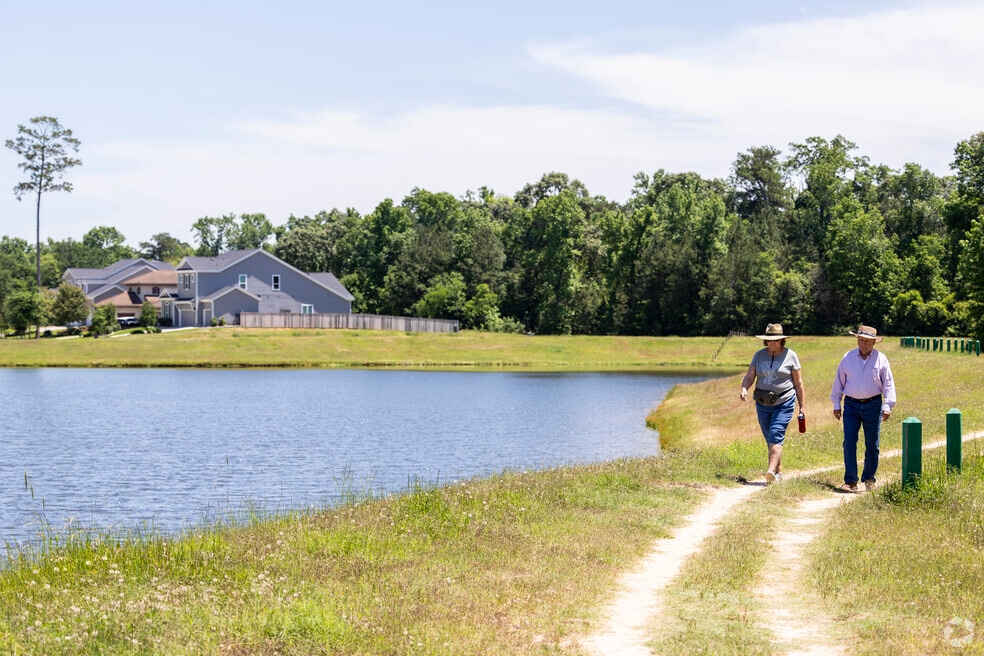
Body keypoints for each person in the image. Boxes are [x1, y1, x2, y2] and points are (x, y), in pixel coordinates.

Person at [830, 325, 896, 493]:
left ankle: (869, 478)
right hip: (851, 404)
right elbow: (839, 382)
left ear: (874, 342)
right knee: (849, 442)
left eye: (867, 341)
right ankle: (850, 480)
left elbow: (888, 384)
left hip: (873, 404)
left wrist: (887, 406)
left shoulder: (881, 359)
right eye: (861, 340)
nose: (863, 344)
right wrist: (836, 404)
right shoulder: (848, 358)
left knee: (872, 444)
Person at [739, 323, 806, 484]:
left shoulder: (791, 356)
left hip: (784, 401)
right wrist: (744, 388)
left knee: (776, 433)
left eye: (776, 340)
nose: (772, 343)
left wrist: (802, 406)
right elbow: (750, 376)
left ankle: (770, 472)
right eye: (769, 340)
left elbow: (798, 383)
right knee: (769, 437)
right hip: (762, 402)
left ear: (782, 340)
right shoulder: (759, 355)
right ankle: (778, 471)